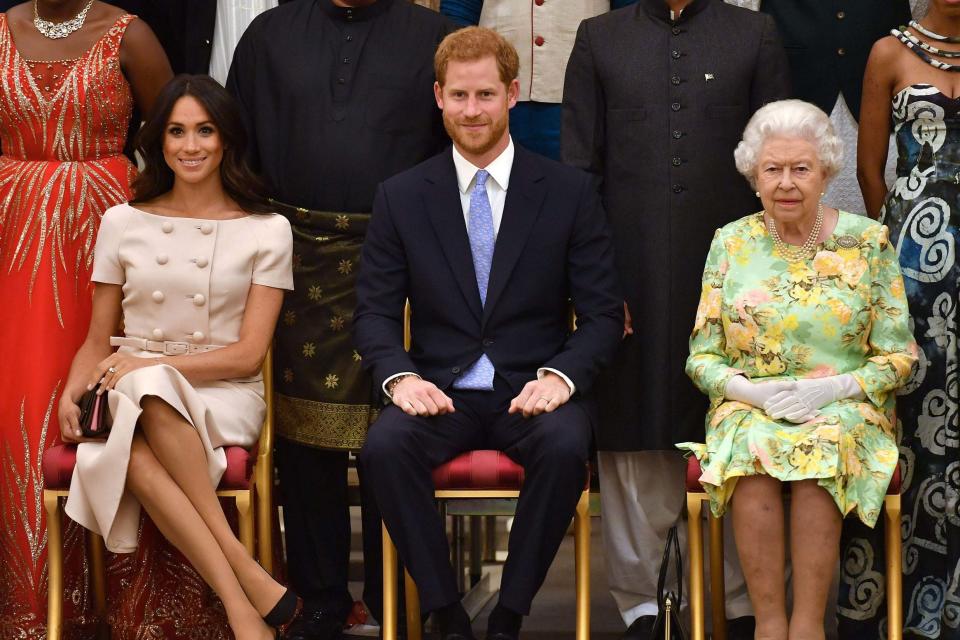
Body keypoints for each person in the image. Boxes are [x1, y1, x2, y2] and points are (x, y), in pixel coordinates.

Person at [354, 26, 623, 640]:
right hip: (439, 390)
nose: (471, 111)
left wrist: (561, 376)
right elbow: (372, 311)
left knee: (563, 447)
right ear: (438, 98)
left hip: (532, 390)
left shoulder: (567, 192)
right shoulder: (400, 196)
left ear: (512, 93)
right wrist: (399, 377)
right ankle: (447, 612)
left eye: (484, 95)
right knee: (383, 448)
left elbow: (604, 314)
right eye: (458, 96)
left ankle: (508, 615)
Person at [560, 0, 790, 637]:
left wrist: (773, 285)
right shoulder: (600, 37)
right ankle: (640, 606)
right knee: (635, 427)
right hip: (627, 273)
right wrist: (596, 288)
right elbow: (580, 174)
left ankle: (743, 601)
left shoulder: (753, 33)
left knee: (738, 427)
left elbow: (779, 165)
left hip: (735, 279)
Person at [226, 2, 453, 635]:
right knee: (302, 443)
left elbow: (457, 147)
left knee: (395, 434)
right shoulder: (270, 32)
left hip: (402, 259)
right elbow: (236, 144)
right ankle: (319, 598)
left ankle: (396, 598)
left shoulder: (434, 36)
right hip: (293, 260)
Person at [55, 74, 304, 640]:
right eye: (176, 131)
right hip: (128, 385)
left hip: (223, 393)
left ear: (226, 141)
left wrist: (149, 368)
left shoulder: (268, 229)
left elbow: (247, 355)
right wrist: (72, 392)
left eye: (204, 131)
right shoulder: (123, 221)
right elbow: (98, 343)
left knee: (144, 402)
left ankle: (241, 596)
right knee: (137, 408)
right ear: (159, 142)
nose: (190, 146)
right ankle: (245, 589)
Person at [678, 99, 917, 640]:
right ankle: (768, 626)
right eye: (773, 169)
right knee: (751, 447)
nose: (786, 183)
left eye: (800, 168)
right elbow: (702, 356)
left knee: (819, 447)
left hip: (846, 407)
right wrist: (753, 394)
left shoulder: (867, 241)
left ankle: (808, 626)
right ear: (753, 175)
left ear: (827, 172)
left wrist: (835, 387)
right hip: (751, 405)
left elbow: (900, 356)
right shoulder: (731, 241)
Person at [0, 1, 172, 636]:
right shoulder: (0, 30)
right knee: (17, 396)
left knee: (103, 388)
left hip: (106, 229)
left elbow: (174, 134)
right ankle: (36, 598)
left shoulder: (133, 35)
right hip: (10, 231)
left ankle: (123, 592)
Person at [854, 1, 960, 636]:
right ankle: (903, 605)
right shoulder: (887, 52)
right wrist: (894, 248)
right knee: (915, 420)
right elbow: (871, 169)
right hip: (913, 268)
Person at [438, 0, 637, 160]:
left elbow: (630, 15)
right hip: (493, 95)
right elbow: (458, 12)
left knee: (574, 192)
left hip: (587, 95)